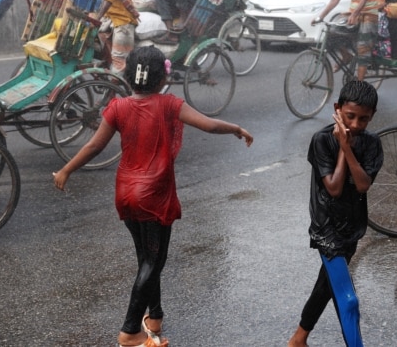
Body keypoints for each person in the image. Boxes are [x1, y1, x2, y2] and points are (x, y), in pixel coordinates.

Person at [52, 46, 253, 347]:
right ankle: (130, 330)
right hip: (153, 196)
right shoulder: (170, 104)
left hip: (125, 194)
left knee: (146, 258)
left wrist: (65, 170)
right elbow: (209, 124)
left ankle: (155, 316)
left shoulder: (118, 107)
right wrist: (236, 128)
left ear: (130, 76)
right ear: (162, 78)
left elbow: (93, 147)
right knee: (153, 262)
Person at [287, 80, 384, 347]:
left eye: (363, 119)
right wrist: (343, 147)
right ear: (337, 109)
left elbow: (363, 184)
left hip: (352, 226)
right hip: (326, 228)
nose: (354, 124)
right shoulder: (321, 140)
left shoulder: (373, 143)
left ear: (372, 116)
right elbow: (334, 188)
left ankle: (298, 339)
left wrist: (349, 148)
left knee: (326, 286)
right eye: (349, 116)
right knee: (348, 299)